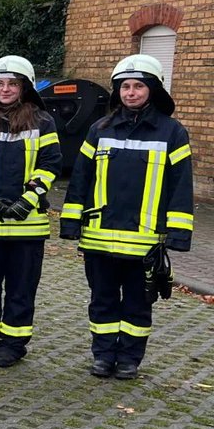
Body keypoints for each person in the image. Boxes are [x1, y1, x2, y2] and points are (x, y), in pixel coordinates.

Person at [61, 54, 193, 380]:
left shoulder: (172, 133)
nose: (130, 93)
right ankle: (103, 355)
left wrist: (178, 233)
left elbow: (180, 187)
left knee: (137, 304)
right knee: (102, 300)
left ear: (153, 89)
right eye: (124, 87)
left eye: (138, 86)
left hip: (144, 241)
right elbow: (81, 179)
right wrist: (70, 221)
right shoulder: (99, 129)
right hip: (99, 238)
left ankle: (129, 359)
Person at [0, 55, 62, 367]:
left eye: (12, 83)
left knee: (21, 290)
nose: (5, 89)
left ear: (24, 87)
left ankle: (13, 345)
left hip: (27, 227)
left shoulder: (43, 122)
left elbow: (51, 164)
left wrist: (27, 201)